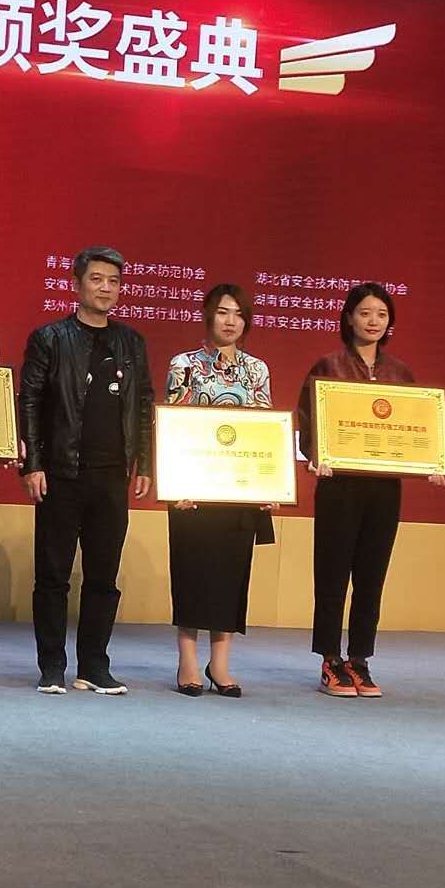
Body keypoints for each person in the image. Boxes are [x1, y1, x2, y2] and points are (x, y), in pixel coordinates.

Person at [298, 282, 445, 699]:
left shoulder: (400, 373)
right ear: (349, 318)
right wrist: (316, 455)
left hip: (384, 489)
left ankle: (359, 659)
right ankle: (330, 660)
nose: (373, 321)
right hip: (339, 486)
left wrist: (432, 462)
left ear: (389, 322)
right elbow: (307, 424)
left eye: (381, 314)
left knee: (371, 576)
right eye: (364, 313)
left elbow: (417, 430)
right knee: (332, 575)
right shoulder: (328, 366)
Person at [19, 246, 154, 696]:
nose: (106, 288)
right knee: (52, 575)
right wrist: (33, 464)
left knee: (103, 577)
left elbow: (144, 405)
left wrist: (144, 462)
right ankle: (51, 666)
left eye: (113, 281)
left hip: (112, 475)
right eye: (97, 279)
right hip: (61, 472)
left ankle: (94, 665)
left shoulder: (131, 342)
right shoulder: (50, 338)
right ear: (77, 284)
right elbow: (30, 402)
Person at [166, 284, 275, 699]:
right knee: (192, 572)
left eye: (238, 314)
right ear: (208, 316)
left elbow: (266, 432)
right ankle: (188, 661)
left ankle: (221, 664)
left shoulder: (257, 370)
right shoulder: (184, 365)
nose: (230, 321)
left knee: (231, 577)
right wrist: (175, 484)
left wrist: (270, 483)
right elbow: (172, 427)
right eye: (223, 312)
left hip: (238, 491)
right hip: (192, 491)